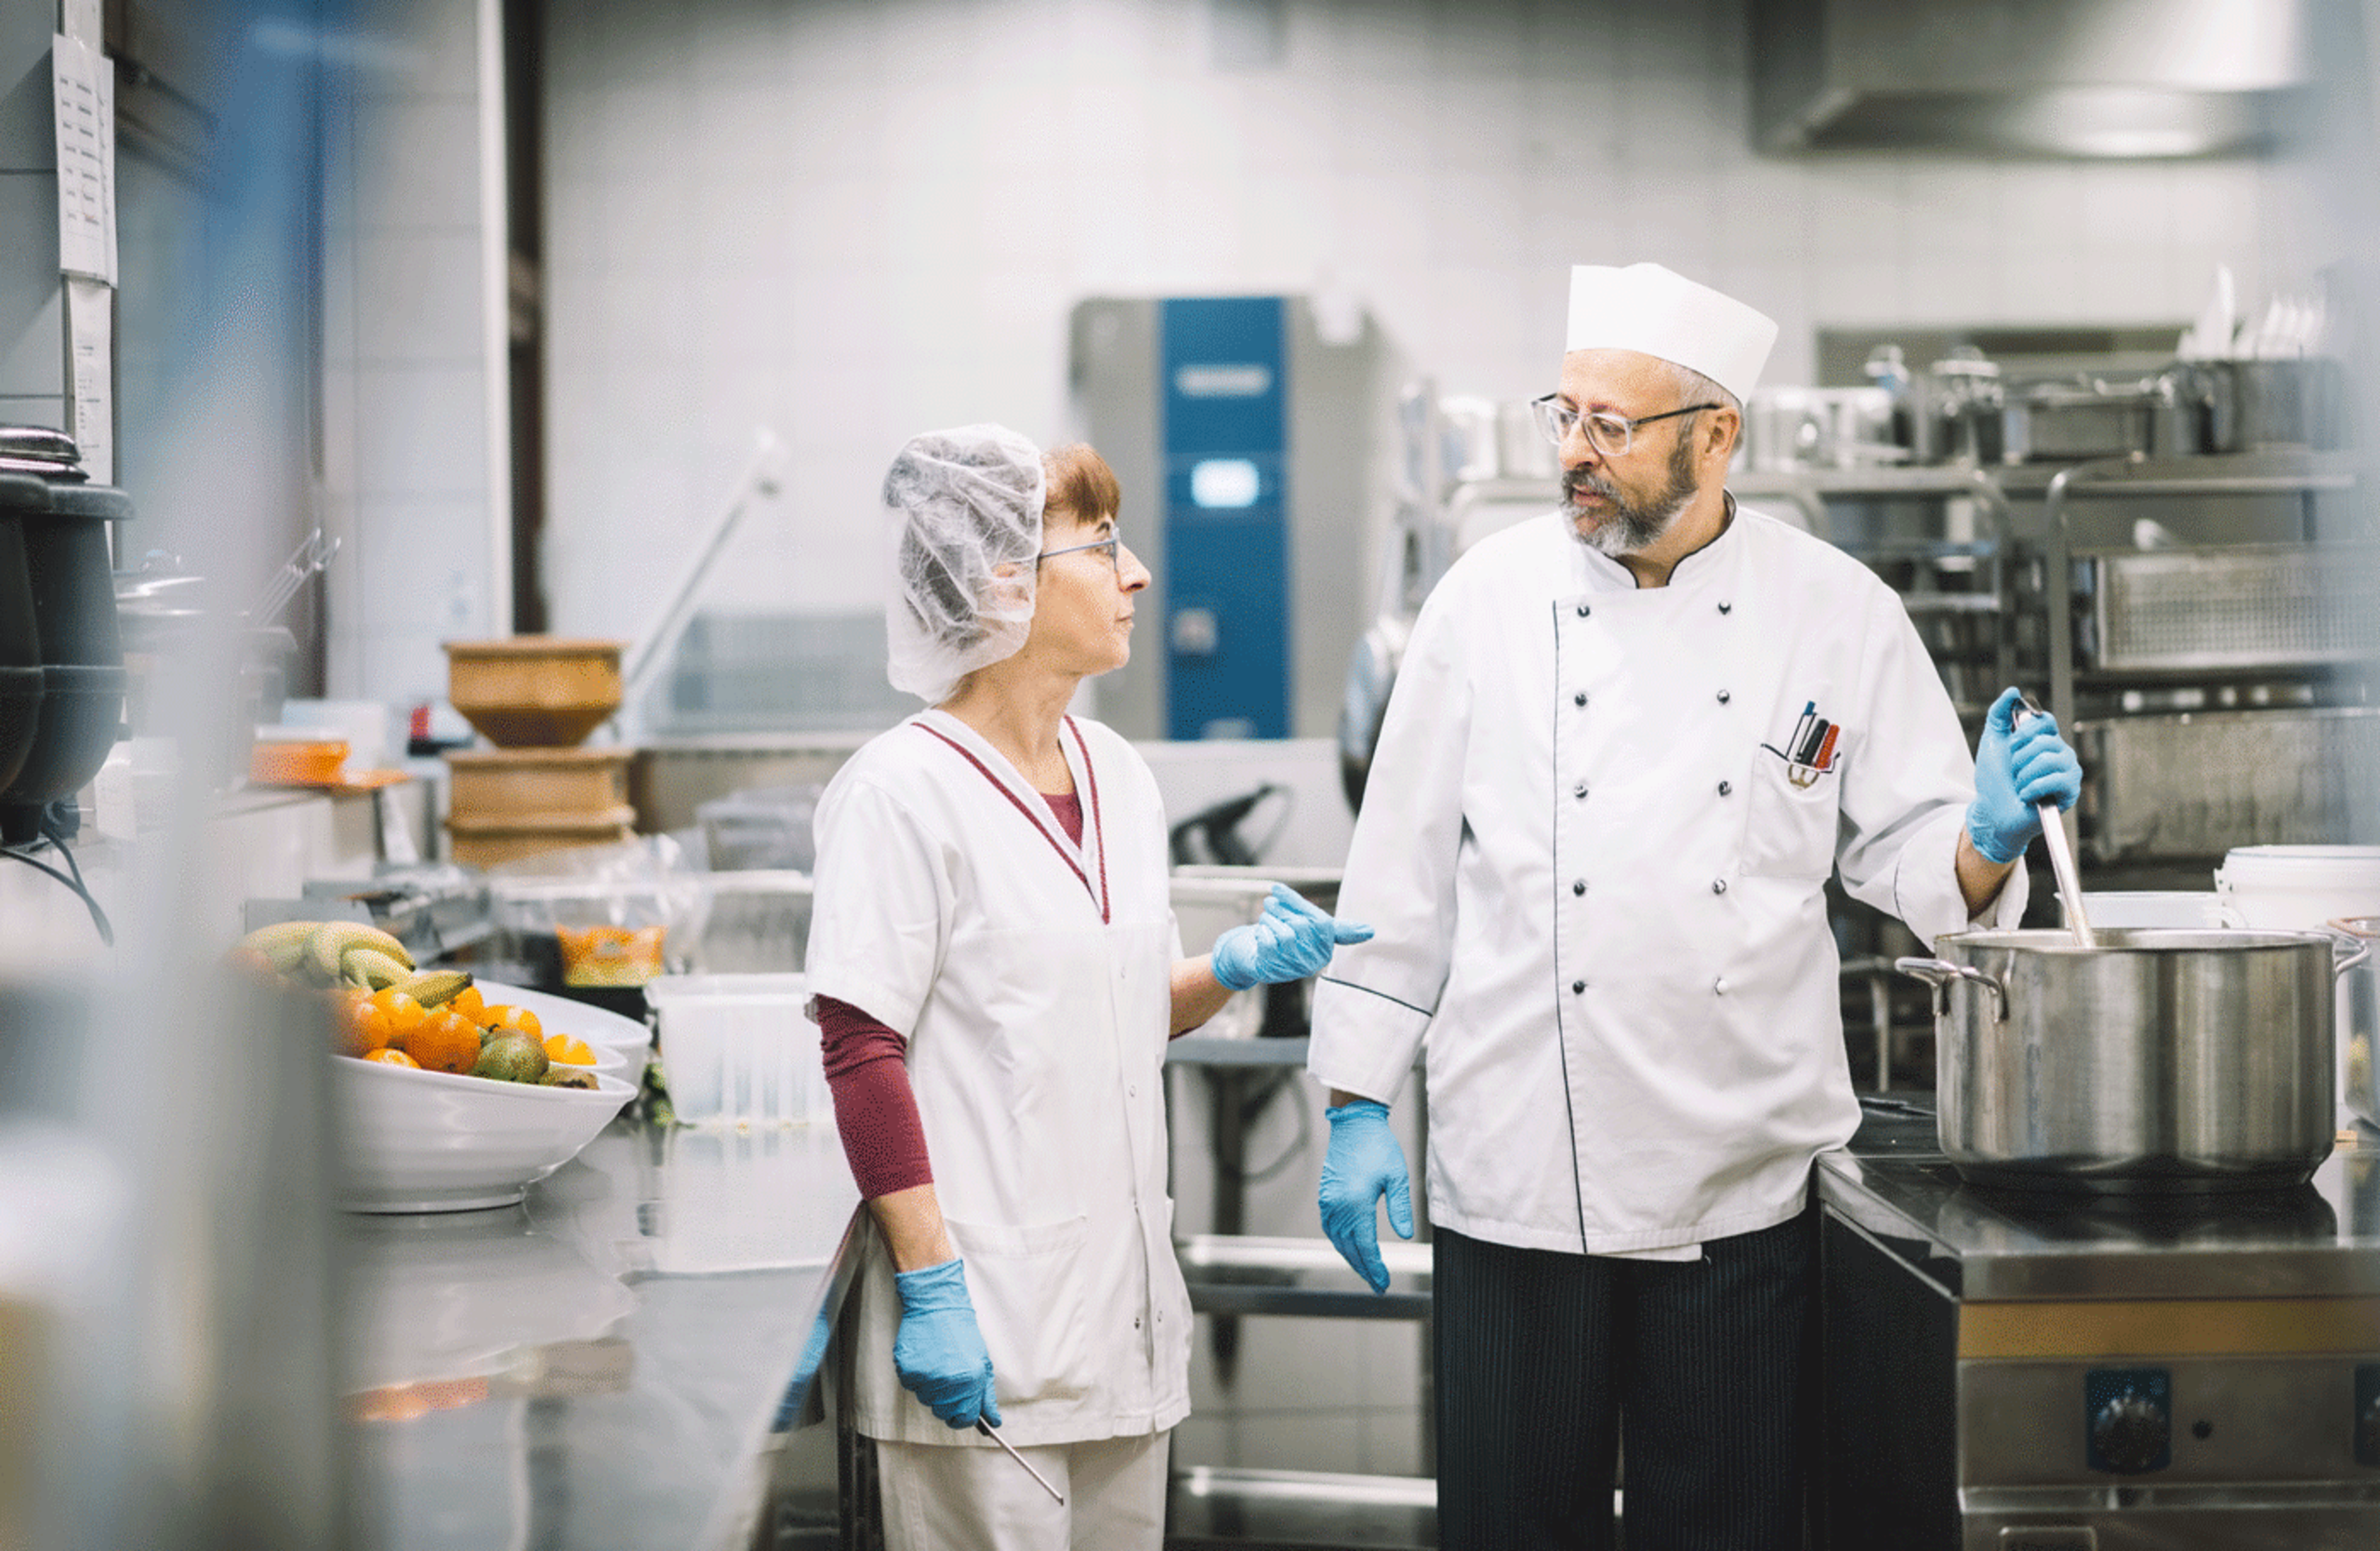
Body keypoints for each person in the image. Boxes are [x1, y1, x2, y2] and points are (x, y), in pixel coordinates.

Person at [1305, 265, 2081, 1550]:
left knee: (1724, 1528)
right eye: (1567, 417)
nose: (1577, 457)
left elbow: (1908, 862)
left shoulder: (1835, 612)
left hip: (1739, 1187)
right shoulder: (1483, 607)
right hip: (1518, 1180)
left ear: (1717, 436)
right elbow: (1400, 884)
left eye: (1614, 427)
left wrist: (1987, 836)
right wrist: (1354, 1104)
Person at [804, 425, 1369, 1551]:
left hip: (1120, 1321)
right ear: (1003, 579)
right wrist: (931, 1291)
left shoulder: (1118, 775)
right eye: (1102, 544)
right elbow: (859, 1050)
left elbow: (1102, 1020)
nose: (1138, 573)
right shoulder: (899, 792)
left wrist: (1227, 970)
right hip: (986, 1333)